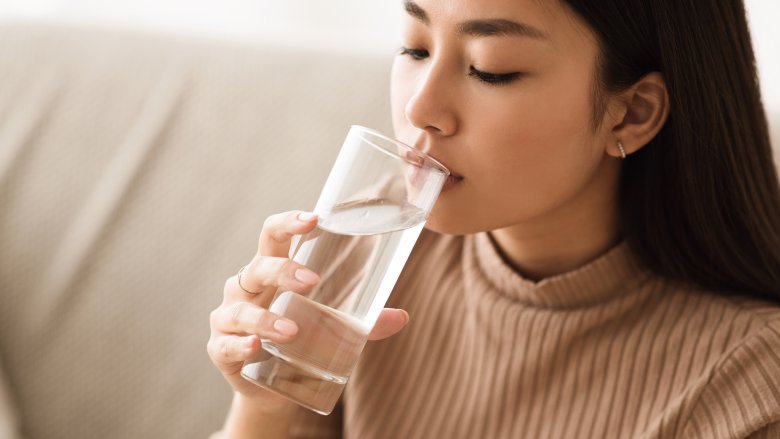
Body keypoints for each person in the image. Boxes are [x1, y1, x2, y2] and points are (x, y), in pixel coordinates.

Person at [207, 0, 780, 437]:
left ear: (631, 114)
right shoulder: (366, 239)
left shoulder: (745, 381)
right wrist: (265, 407)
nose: (419, 110)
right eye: (415, 48)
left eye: (490, 70)